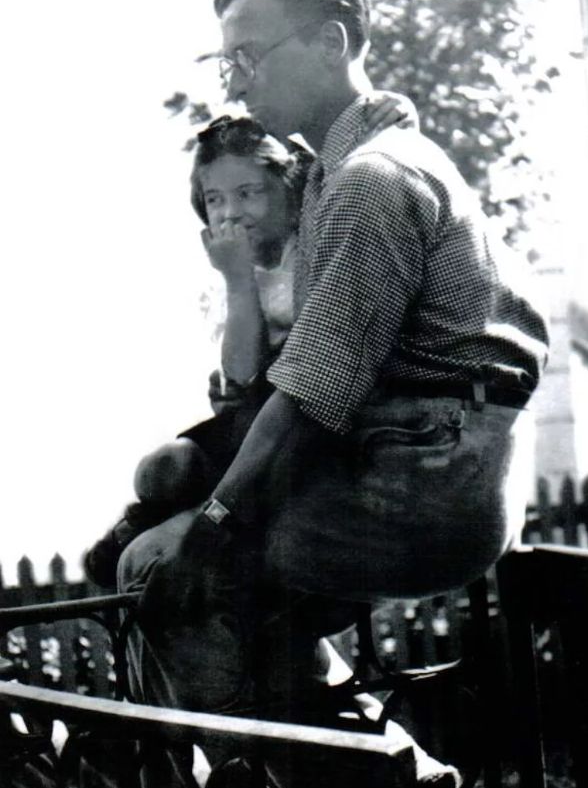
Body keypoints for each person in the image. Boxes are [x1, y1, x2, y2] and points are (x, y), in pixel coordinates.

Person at [121, 0, 549, 788]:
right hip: (427, 459)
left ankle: (365, 779)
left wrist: (209, 529)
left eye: (250, 57)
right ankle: (387, 771)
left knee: (166, 578)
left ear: (331, 40)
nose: (235, 86)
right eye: (226, 62)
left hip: (427, 481)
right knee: (205, 565)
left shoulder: (370, 180)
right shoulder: (335, 177)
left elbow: (312, 392)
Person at [85, 99, 416, 589]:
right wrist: (238, 280)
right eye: (215, 199)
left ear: (286, 187)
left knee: (183, 498)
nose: (232, 213)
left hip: (312, 411)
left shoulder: (317, 236)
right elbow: (239, 374)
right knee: (159, 471)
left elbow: (314, 359)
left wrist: (402, 110)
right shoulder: (250, 265)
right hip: (258, 407)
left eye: (248, 193)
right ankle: (150, 520)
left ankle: (187, 520)